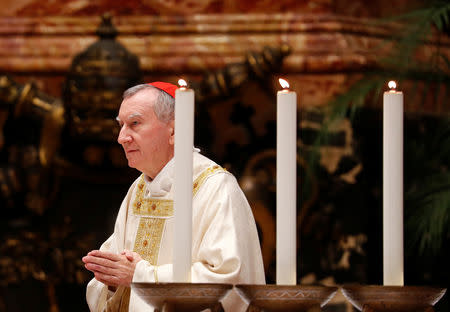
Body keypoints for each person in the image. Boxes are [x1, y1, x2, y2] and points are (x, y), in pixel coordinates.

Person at [82, 82, 265, 311]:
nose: (121, 137)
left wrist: (142, 277)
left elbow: (229, 282)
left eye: (134, 124)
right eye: (121, 126)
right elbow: (117, 274)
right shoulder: (138, 190)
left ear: (174, 130)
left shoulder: (215, 188)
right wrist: (109, 281)